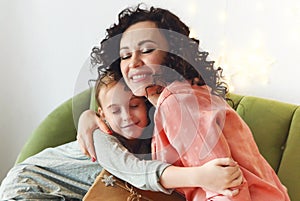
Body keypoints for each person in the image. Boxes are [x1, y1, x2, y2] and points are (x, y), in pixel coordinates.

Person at [77, 4, 290, 201]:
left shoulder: (176, 102)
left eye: (147, 50)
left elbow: (225, 185)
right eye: (125, 55)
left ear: (172, 55)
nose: (133, 63)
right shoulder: (178, 98)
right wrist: (88, 116)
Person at [0, 68, 241, 200]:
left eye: (134, 105)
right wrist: (200, 176)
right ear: (102, 114)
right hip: (31, 183)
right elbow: (132, 170)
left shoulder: (154, 140)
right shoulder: (100, 135)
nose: (126, 116)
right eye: (115, 110)